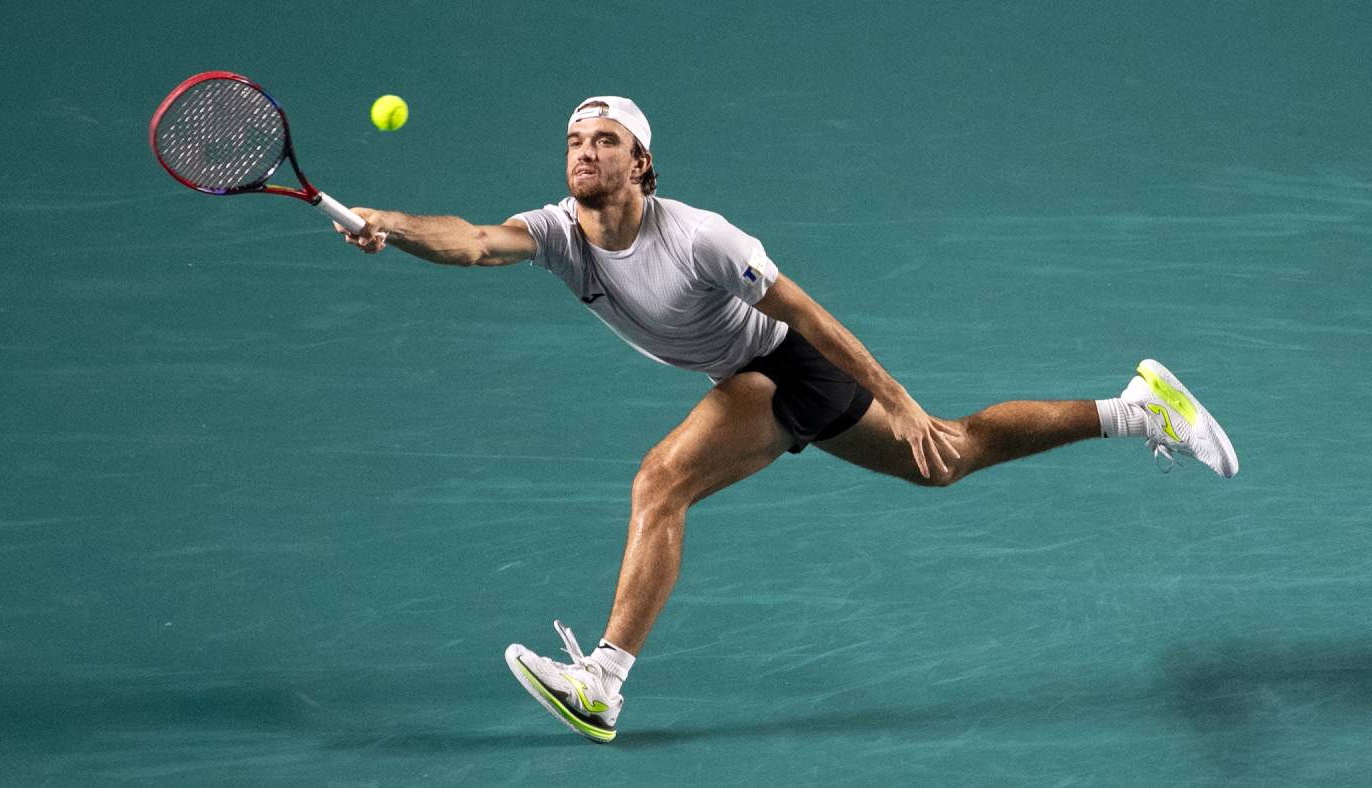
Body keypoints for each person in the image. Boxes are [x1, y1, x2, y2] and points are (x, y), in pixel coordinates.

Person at [335, 96, 1239, 743]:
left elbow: (809, 316)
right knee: (950, 460)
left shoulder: (702, 238)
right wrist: (390, 224)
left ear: (641, 163)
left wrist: (898, 399)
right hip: (756, 375)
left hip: (786, 365)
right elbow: (473, 242)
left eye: (606, 141)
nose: (585, 153)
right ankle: (1135, 410)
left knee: (662, 482)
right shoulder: (559, 232)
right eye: (575, 140)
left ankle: (601, 683)